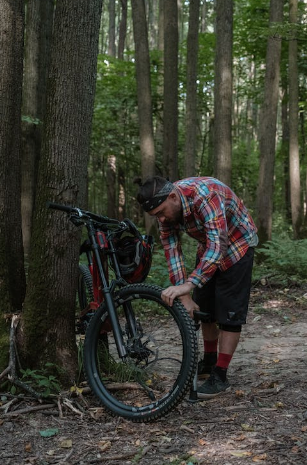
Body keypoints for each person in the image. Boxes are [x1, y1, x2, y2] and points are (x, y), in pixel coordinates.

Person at [136, 176, 258, 399]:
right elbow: (172, 253)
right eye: (156, 216)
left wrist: (190, 283)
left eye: (162, 213)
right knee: (205, 308)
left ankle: (220, 375)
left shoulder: (206, 195)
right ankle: (210, 361)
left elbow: (217, 244)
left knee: (229, 312)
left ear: (173, 197)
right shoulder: (166, 211)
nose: (161, 219)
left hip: (238, 244)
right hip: (209, 249)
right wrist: (185, 296)